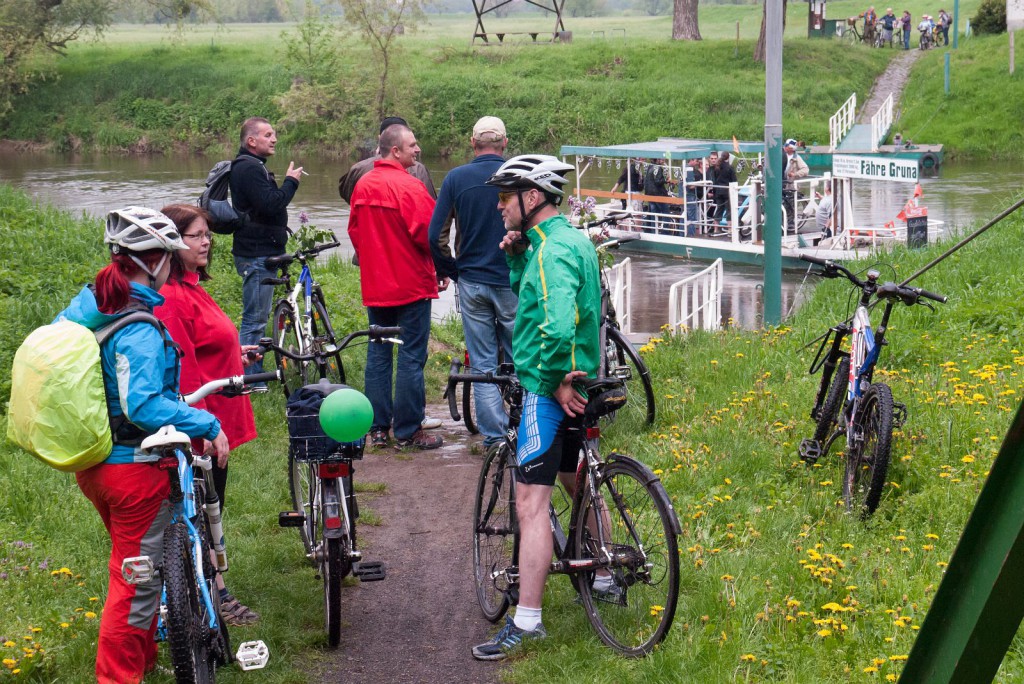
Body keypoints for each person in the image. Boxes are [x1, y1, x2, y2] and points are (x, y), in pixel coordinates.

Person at [58, 206, 228, 684]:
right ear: (154, 262)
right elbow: (144, 405)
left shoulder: (91, 307)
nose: (174, 265)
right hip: (134, 469)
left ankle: (146, 660)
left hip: (96, 462)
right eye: (171, 257)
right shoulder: (137, 327)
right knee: (134, 587)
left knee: (137, 568)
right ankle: (118, 678)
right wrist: (207, 422)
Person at [471, 155, 600, 661]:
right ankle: (604, 576)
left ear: (532, 197)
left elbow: (558, 323)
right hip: (584, 378)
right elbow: (543, 298)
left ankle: (526, 621)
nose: (499, 206)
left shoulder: (552, 251)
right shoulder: (569, 240)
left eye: (505, 196)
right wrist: (517, 260)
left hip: (551, 388)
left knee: (531, 504)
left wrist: (554, 380)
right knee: (577, 481)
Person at [153, 203, 259, 626]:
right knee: (199, 512)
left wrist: (233, 354)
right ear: (171, 242)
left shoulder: (192, 287)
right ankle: (214, 595)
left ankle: (207, 590)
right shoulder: (173, 298)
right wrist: (202, 432)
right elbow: (182, 374)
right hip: (202, 428)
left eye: (207, 235)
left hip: (216, 419)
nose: (206, 242)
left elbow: (203, 346)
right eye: (196, 235)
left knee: (211, 509)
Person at [348, 123, 442, 451]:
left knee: (378, 353)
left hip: (377, 286)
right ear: (395, 150)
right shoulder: (410, 186)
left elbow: (355, 233)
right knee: (411, 356)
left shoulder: (363, 185)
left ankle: (377, 429)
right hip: (411, 285)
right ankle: (408, 430)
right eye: (412, 145)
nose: (418, 150)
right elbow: (429, 235)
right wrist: (441, 267)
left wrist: (374, 262)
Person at [428, 116, 515, 448]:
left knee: (482, 363)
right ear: (504, 142)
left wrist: (452, 269)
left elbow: (435, 235)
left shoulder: (456, 178)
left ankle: (495, 438)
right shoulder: (516, 174)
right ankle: (524, 428)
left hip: (473, 281)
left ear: (472, 143)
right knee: (520, 356)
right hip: (512, 280)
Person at [228, 116, 302, 376]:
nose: (274, 139)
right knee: (255, 319)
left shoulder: (253, 166)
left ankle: (252, 374)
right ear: (251, 140)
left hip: (261, 251)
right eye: (268, 135)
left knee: (258, 317)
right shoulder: (248, 168)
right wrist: (291, 181)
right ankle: (249, 379)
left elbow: (265, 205)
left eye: (274, 134)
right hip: (256, 253)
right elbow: (271, 204)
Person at [338, 116, 437, 204]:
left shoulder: (358, 168)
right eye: (412, 144)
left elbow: (348, 196)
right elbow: (430, 206)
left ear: (380, 138)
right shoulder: (418, 170)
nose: (418, 149)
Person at [782, 139, 809, 234]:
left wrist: (795, 174)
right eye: (786, 146)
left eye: (788, 147)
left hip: (791, 184)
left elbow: (805, 170)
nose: (785, 148)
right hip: (781, 181)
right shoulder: (781, 154)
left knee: (790, 204)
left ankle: (791, 223)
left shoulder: (797, 158)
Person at [642, 158, 676, 229]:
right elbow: (658, 181)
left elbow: (647, 181)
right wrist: (666, 180)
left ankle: (653, 230)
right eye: (662, 160)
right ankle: (665, 231)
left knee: (654, 213)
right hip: (658, 194)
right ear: (657, 160)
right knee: (665, 212)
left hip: (649, 194)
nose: (663, 162)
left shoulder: (650, 166)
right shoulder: (658, 168)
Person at [713, 151, 738, 231]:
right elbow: (734, 180)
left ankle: (715, 229)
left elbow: (715, 180)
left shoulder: (717, 167)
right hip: (727, 191)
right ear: (728, 157)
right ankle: (729, 229)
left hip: (718, 191)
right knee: (729, 210)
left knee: (719, 208)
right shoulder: (730, 167)